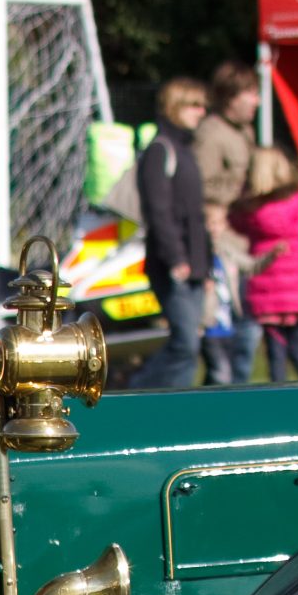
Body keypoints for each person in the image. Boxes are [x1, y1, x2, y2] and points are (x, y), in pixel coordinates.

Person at [127, 78, 211, 389]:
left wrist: (207, 265)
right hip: (173, 263)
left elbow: (196, 215)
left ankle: (177, 400)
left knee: (191, 344)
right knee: (185, 342)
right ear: (175, 107)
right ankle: (138, 390)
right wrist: (176, 257)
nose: (201, 112)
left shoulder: (185, 150)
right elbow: (158, 211)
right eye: (193, 105)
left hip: (195, 263)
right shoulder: (160, 151)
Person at [230, 148, 298, 382]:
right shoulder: (297, 201)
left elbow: (234, 226)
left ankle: (278, 396)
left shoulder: (248, 209)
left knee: (275, 351)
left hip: (265, 285)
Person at [193, 61, 263, 385]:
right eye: (250, 93)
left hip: (243, 239)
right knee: (222, 335)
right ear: (230, 96)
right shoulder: (211, 134)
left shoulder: (246, 132)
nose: (257, 102)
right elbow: (200, 188)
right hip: (218, 243)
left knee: (248, 330)